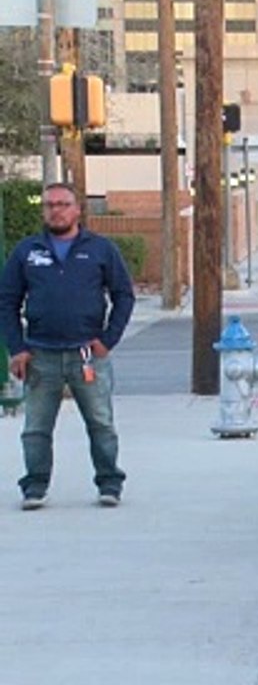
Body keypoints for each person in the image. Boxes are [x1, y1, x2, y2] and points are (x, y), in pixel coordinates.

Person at [0, 183, 135, 510]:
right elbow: (6, 301)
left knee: (101, 424)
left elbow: (123, 296)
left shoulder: (101, 250)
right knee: (35, 429)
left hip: (87, 356)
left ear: (77, 210)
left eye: (62, 204)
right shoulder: (26, 251)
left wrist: (107, 340)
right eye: (49, 205)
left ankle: (109, 483)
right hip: (40, 356)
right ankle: (35, 486)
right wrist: (17, 348)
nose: (56, 210)